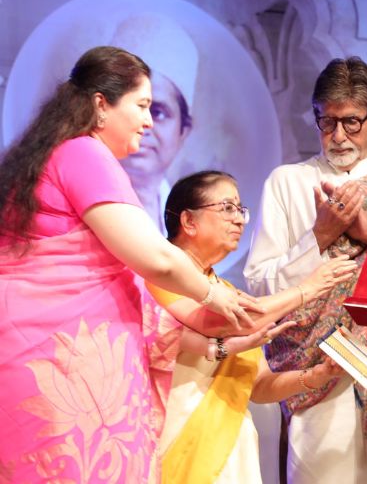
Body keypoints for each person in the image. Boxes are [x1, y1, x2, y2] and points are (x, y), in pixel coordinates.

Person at [0, 46, 257, 482]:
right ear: (102, 105)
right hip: (59, 369)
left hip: (37, 356)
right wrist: (215, 296)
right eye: (141, 106)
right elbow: (157, 259)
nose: (148, 120)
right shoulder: (84, 153)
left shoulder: (58, 153)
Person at [243, 57, 367, 484]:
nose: (337, 135)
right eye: (327, 121)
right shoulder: (288, 182)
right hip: (320, 374)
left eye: (351, 122)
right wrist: (319, 235)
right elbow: (260, 286)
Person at [147, 170, 356, 483]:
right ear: (188, 221)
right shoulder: (161, 275)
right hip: (177, 445)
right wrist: (305, 290)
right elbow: (221, 325)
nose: (239, 220)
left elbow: (259, 385)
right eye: (227, 208)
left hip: (232, 453)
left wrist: (315, 376)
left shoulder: (226, 292)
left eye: (240, 210)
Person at [114, 13, 197, 233]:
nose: (144, 123)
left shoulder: (185, 216)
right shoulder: (78, 196)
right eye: (134, 107)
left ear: (183, 132)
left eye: (159, 113)